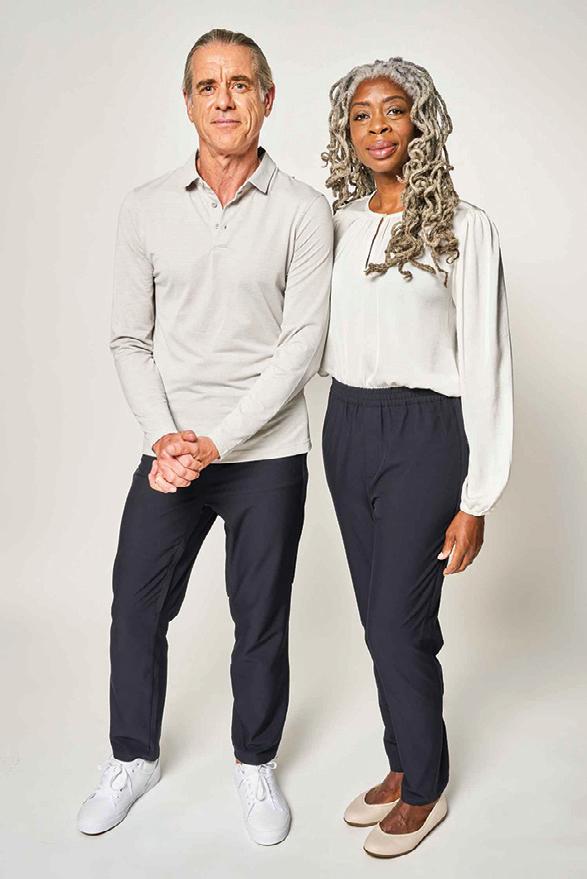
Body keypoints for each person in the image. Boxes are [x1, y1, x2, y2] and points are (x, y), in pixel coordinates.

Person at [77, 28, 333, 846]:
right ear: (188, 102)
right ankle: (132, 756)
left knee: (259, 617)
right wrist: (167, 440)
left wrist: (217, 440)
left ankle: (255, 760)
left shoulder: (304, 211)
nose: (224, 99)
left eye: (240, 84)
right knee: (136, 603)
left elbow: (300, 349)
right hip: (172, 451)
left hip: (267, 452)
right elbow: (130, 338)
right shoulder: (146, 207)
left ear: (267, 98)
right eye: (208, 85)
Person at [319, 57, 513, 858]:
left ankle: (425, 786)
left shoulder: (464, 226)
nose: (377, 128)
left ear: (420, 120)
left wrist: (477, 497)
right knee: (377, 617)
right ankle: (403, 759)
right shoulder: (336, 223)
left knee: (399, 621)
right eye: (362, 114)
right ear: (347, 128)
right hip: (346, 425)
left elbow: (488, 360)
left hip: (426, 432)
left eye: (393, 110)